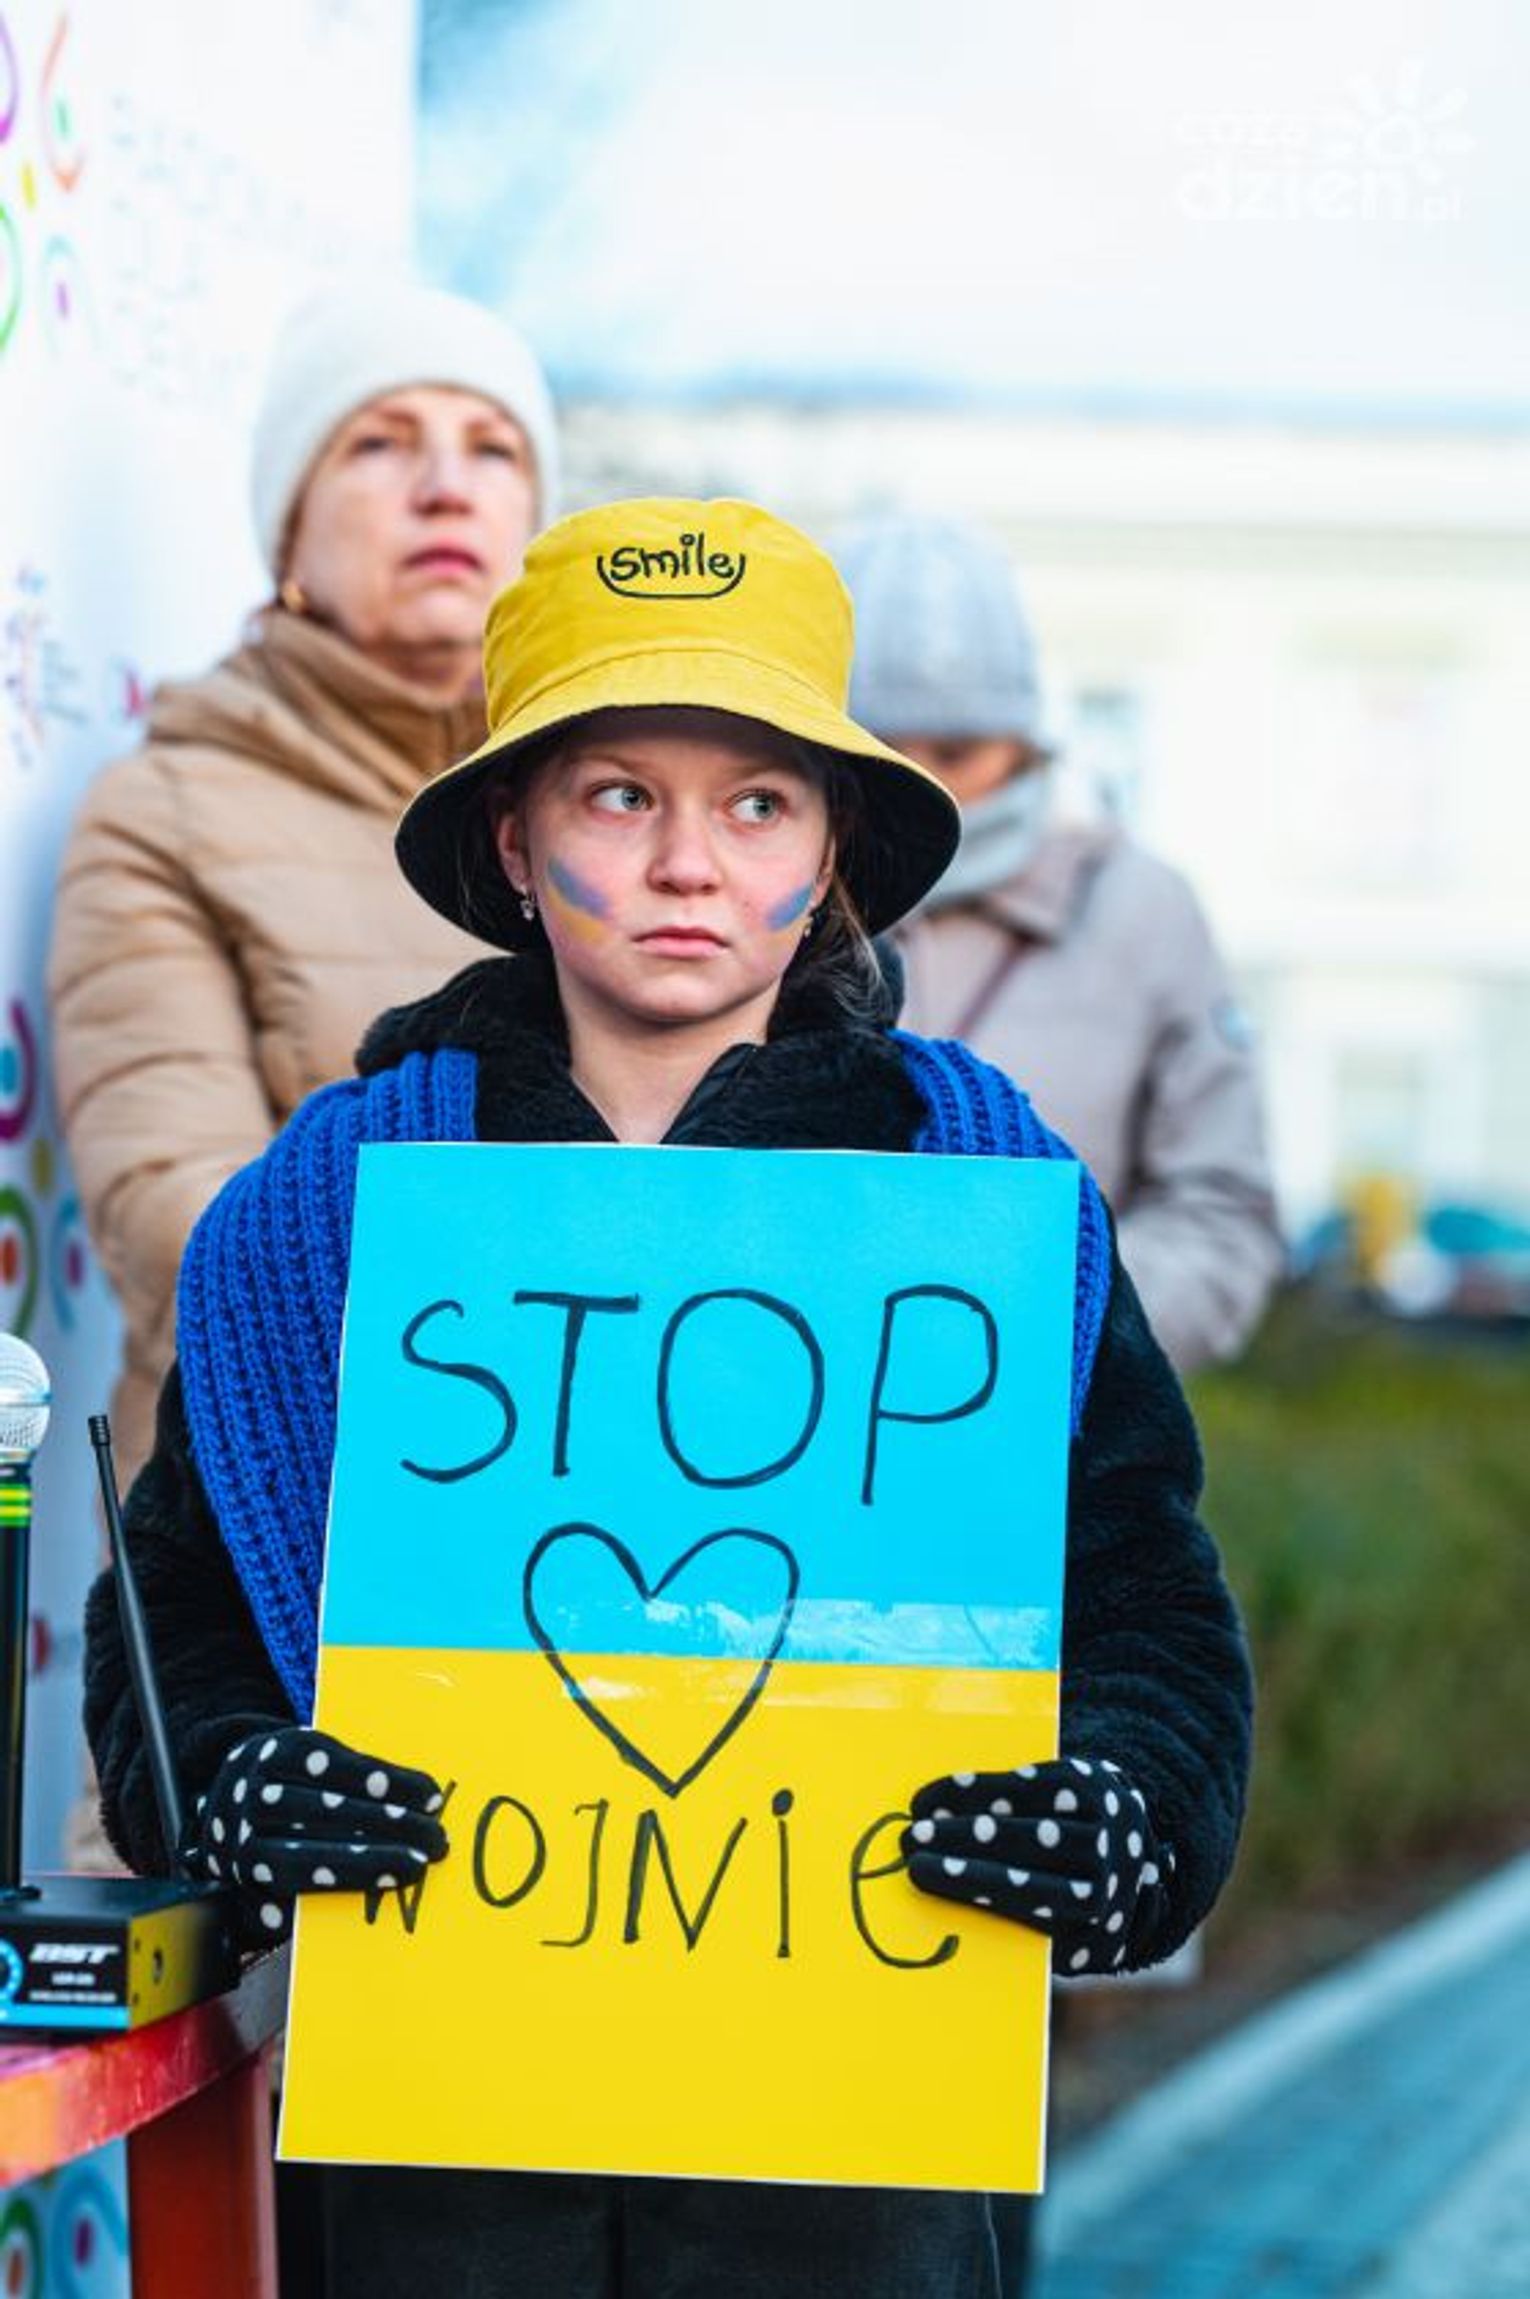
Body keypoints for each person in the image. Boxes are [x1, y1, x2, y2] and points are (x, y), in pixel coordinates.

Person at [84, 498, 1253, 2299]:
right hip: (435, 2173)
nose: (690, 861)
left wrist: (1118, 1810)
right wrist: (239, 1785)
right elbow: (177, 1608)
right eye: (620, 794)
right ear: (515, 833)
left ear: (830, 843)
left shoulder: (978, 1192)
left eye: (757, 803)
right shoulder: (325, 1208)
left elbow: (1146, 1600)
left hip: (855, 2169)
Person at [48, 277, 559, 1488]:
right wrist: (561, 1334)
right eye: (379, 443)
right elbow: (178, 1220)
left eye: (493, 449)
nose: (445, 486)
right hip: (277, 1517)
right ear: (287, 529)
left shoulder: (611, 806)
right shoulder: (166, 811)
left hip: (601, 1508)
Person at [834, 513, 1284, 1376]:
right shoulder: (761, 904)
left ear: (1025, 741)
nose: (921, 784)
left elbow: (1221, 1212)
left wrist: (1054, 1333)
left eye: (957, 749)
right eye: (878, 748)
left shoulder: (1144, 912)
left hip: (1065, 1431)